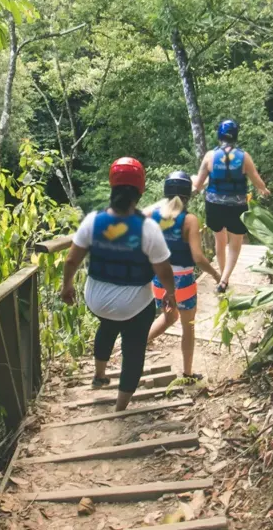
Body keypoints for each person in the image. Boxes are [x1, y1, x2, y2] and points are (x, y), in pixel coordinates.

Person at [60, 157, 178, 411]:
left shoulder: (92, 221)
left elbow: (71, 261)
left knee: (108, 324)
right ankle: (120, 407)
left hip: (96, 302)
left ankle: (99, 375)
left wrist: (66, 287)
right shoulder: (148, 229)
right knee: (134, 346)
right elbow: (164, 271)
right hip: (134, 307)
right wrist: (170, 294)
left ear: (112, 186)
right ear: (141, 190)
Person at [145, 171, 221, 383]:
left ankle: (136, 347)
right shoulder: (189, 220)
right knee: (188, 326)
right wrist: (216, 274)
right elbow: (198, 257)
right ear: (188, 194)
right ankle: (187, 373)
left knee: (170, 317)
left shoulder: (153, 215)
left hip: (159, 278)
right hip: (183, 280)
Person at [193, 119, 270, 293]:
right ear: (235, 136)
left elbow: (197, 186)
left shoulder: (210, 156)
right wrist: (264, 190)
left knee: (220, 241)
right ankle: (225, 279)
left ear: (219, 135)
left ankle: (221, 276)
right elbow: (258, 182)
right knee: (235, 244)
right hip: (236, 206)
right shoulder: (244, 157)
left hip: (214, 205)